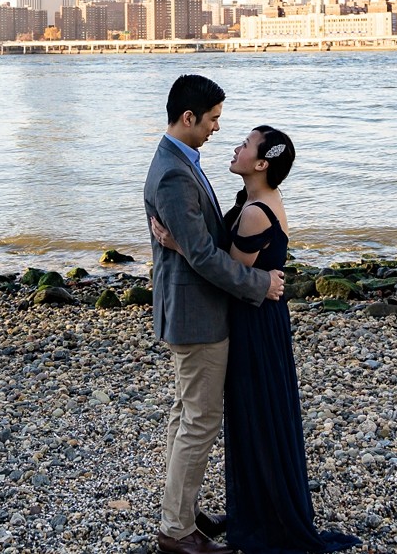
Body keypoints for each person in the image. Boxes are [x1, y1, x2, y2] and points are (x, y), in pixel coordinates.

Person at [154, 126, 359, 554]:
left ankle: (255, 511)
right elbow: (229, 265)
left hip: (252, 322)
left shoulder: (254, 211)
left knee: (251, 415)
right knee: (244, 414)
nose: (235, 146)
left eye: (246, 145)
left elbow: (227, 274)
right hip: (257, 317)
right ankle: (221, 510)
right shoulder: (251, 201)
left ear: (262, 163)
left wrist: (178, 244)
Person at [145, 74, 286, 554]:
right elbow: (205, 256)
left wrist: (181, 243)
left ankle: (180, 509)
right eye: (213, 119)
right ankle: (176, 531)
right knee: (198, 421)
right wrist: (260, 284)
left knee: (188, 414)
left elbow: (199, 243)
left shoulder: (183, 161)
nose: (217, 129)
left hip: (191, 309)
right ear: (189, 118)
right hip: (196, 315)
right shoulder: (172, 171)